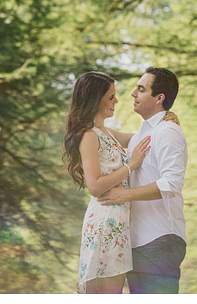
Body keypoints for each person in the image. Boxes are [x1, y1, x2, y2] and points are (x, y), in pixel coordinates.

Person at [98, 67, 188, 294]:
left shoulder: (167, 131)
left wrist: (123, 195)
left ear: (159, 99)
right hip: (137, 243)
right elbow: (103, 132)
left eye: (141, 89)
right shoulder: (142, 135)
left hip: (160, 240)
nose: (132, 94)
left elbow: (172, 183)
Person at [63, 71, 151, 294]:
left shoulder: (106, 132)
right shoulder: (89, 136)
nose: (117, 101)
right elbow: (94, 186)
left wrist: (165, 119)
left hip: (118, 223)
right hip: (105, 223)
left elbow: (141, 138)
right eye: (111, 97)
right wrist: (130, 166)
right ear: (95, 99)